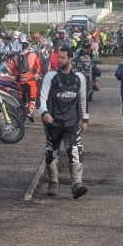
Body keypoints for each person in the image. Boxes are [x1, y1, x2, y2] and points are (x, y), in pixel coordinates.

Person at [39, 45, 90, 198]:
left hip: (72, 123)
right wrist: (44, 112)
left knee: (75, 151)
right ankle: (53, 182)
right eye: (58, 57)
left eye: (62, 57)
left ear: (70, 59)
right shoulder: (50, 76)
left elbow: (83, 99)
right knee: (51, 153)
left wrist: (85, 119)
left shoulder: (79, 78)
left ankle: (77, 185)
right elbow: (41, 97)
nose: (59, 60)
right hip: (53, 123)